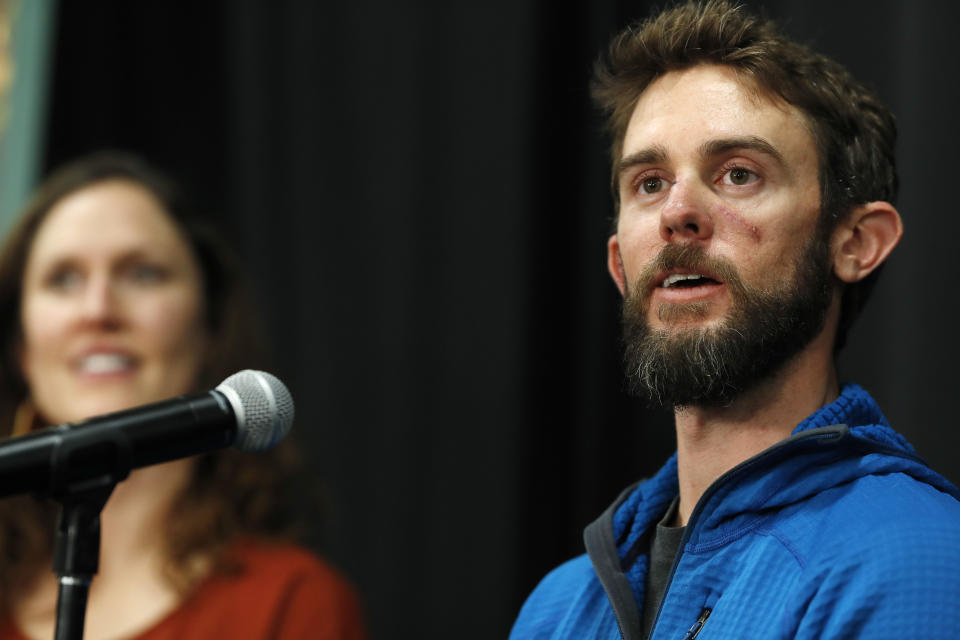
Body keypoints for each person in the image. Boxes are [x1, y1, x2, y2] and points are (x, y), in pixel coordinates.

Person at [511, 2, 960, 638]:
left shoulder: (914, 557)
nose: (678, 211)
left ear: (855, 242)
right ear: (621, 266)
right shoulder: (556, 609)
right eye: (648, 182)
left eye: (738, 173)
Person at [0, 151, 366, 640]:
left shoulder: (292, 604)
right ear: (22, 347)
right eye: (63, 279)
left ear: (210, 327)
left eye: (143, 273)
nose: (98, 309)